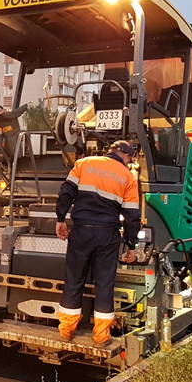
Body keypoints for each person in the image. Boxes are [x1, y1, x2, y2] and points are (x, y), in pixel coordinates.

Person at [55, 140, 140, 346]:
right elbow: (131, 216)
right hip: (107, 235)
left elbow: (66, 192)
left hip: (81, 230)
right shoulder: (128, 177)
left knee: (74, 279)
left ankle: (67, 331)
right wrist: (131, 245)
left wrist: (60, 219)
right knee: (104, 283)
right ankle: (101, 336)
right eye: (131, 159)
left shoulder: (84, 163)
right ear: (126, 156)